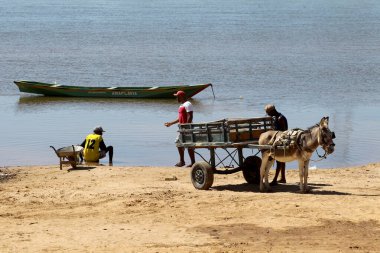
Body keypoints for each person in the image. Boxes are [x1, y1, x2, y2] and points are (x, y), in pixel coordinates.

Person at [164, 90, 195, 167]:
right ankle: (189, 162)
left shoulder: (188, 104)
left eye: (177, 97)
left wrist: (186, 127)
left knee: (179, 143)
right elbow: (179, 118)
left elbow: (190, 116)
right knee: (185, 144)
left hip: (186, 128)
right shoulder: (182, 105)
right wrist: (171, 123)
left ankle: (183, 161)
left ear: (181, 96)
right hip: (182, 128)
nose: (176, 98)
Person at [265, 104, 288, 185]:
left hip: (281, 141)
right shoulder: (277, 117)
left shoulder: (280, 118)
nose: (268, 115)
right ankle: (283, 178)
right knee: (282, 160)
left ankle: (275, 180)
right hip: (278, 140)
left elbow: (284, 131)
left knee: (279, 160)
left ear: (272, 111)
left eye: (268, 113)